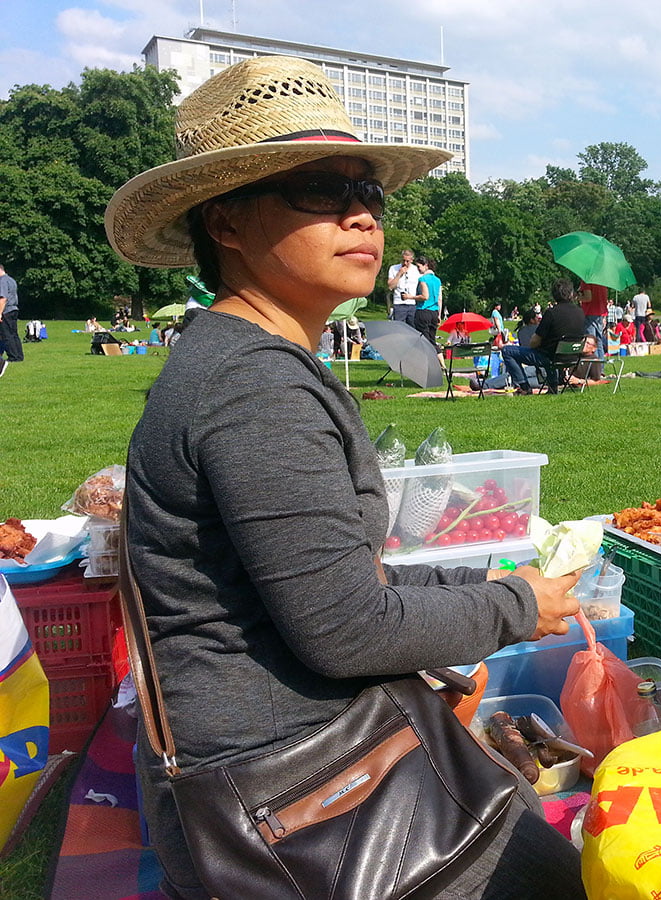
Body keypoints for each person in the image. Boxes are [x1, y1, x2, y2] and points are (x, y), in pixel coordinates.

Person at [104, 55, 585, 900]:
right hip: (293, 796)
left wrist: (482, 581)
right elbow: (345, 630)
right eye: (322, 190)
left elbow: (328, 576)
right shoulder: (254, 385)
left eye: (370, 193)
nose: (361, 214)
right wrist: (514, 608)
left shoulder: (250, 357)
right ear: (226, 221)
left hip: (299, 759)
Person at [501, 278, 586, 395]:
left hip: (550, 357)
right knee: (550, 352)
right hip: (573, 356)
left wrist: (535, 344)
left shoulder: (551, 313)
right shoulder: (580, 312)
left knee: (507, 351)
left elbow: (535, 341)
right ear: (571, 294)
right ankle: (552, 387)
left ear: (554, 295)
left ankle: (524, 386)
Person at [413, 255, 441, 345]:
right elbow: (439, 299)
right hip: (434, 312)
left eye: (418, 266)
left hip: (423, 310)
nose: (418, 269)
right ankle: (441, 359)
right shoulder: (437, 280)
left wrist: (409, 297)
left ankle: (426, 359)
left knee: (424, 341)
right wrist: (439, 315)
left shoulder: (423, 279)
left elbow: (425, 296)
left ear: (426, 265)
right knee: (433, 341)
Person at [386, 248, 419, 324]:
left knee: (412, 329)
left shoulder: (416, 270)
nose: (405, 263)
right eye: (403, 260)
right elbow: (390, 286)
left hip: (412, 304)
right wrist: (399, 274)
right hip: (399, 304)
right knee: (398, 327)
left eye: (407, 261)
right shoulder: (394, 268)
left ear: (412, 260)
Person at [0, 263, 22, 375]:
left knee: (7, 335)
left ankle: (13, 356)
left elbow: (3, 298)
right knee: (14, 334)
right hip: (14, 309)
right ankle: (19, 355)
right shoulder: (11, 280)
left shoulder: (2, 281)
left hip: (6, 310)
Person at [578, 282, 608, 360]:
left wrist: (577, 297)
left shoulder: (586, 281)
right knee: (599, 341)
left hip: (590, 312)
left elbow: (588, 298)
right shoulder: (601, 281)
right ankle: (600, 368)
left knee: (591, 341)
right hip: (600, 313)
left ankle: (593, 367)